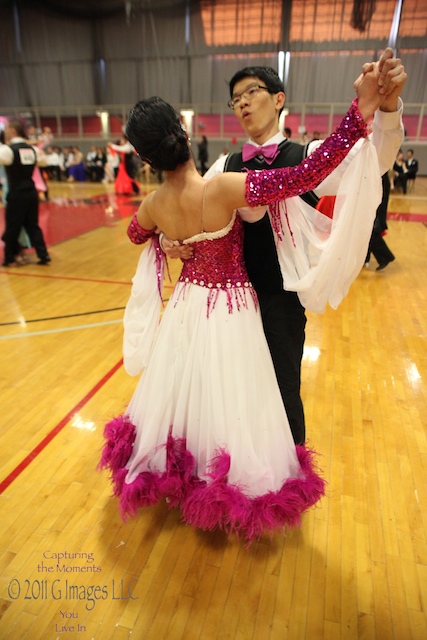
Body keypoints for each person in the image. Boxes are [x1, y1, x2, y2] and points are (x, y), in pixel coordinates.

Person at [99, 68, 384, 543]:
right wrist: (357, 117)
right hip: (232, 308)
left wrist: (167, 240)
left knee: (191, 391)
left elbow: (134, 233)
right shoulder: (226, 185)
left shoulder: (152, 204)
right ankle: (233, 483)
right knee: (239, 397)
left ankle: (184, 479)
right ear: (185, 133)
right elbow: (305, 175)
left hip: (188, 307)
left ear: (145, 156)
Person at [190, 49, 405, 447]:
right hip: (233, 297)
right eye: (235, 99)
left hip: (281, 298)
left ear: (278, 99)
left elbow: (375, 160)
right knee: (233, 385)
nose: (242, 103)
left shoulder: (308, 156)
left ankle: (290, 479)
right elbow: (194, 207)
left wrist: (388, 107)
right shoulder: (225, 164)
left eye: (251, 92)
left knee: (283, 386)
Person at [0, 118, 51, 266]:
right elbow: (44, 161)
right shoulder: (32, 150)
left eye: (7, 129)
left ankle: (8, 258)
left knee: (13, 226)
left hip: (16, 193)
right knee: (33, 225)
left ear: (13, 131)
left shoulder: (8, 150)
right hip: (31, 192)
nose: (6, 132)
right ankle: (43, 254)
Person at [365, 172, 395, 270]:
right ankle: (368, 259)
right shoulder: (380, 174)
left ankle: (386, 257)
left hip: (376, 210)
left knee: (372, 234)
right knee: (368, 234)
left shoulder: (381, 175)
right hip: (374, 209)